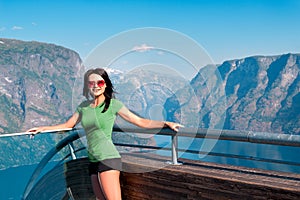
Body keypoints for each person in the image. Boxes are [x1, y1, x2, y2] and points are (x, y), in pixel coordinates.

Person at [27, 68, 183, 200]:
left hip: (108, 158)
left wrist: (165, 123)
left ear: (106, 84)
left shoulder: (113, 105)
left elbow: (140, 122)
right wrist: (42, 128)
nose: (96, 86)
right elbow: (68, 125)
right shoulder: (83, 107)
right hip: (93, 160)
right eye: (91, 83)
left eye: (100, 82)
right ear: (87, 86)